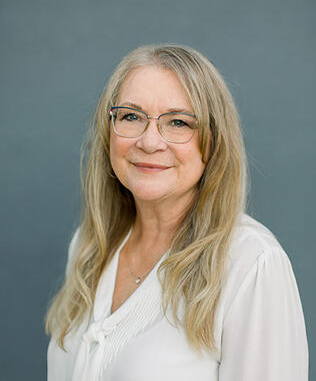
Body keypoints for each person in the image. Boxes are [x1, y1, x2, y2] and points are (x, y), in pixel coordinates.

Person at [45, 44, 308, 381]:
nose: (150, 141)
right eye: (131, 116)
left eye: (178, 122)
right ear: (107, 131)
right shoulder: (89, 246)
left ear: (213, 142)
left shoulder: (251, 263)